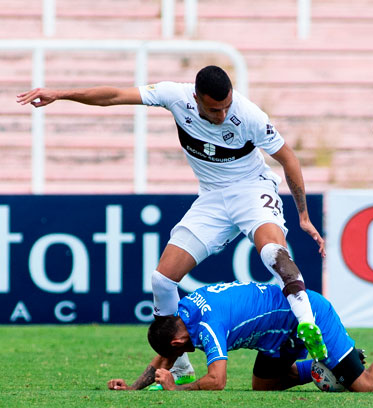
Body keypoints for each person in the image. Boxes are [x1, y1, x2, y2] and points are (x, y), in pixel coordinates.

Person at [16, 65, 328, 382]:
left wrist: (303, 215)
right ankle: (179, 369)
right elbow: (114, 95)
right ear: (196, 98)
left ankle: (307, 323)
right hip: (212, 199)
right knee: (162, 280)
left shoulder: (249, 115)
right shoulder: (175, 96)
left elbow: (288, 158)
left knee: (272, 251)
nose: (222, 115)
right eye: (214, 110)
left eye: (226, 107)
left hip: (252, 190)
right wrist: (60, 94)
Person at [106, 281, 373, 392]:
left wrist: (176, 388)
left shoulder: (209, 325)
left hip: (309, 316)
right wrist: (134, 387)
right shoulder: (183, 312)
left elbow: (217, 381)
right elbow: (165, 354)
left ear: (177, 341)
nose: (172, 359)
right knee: (264, 386)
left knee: (366, 385)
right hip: (277, 335)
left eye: (175, 353)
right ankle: (326, 366)